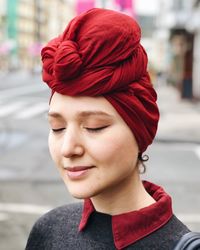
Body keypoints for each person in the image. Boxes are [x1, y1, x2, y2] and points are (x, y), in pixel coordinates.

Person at [25, 8, 190, 250]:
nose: (68, 148)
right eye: (57, 127)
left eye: (94, 127)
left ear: (139, 130)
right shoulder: (48, 231)